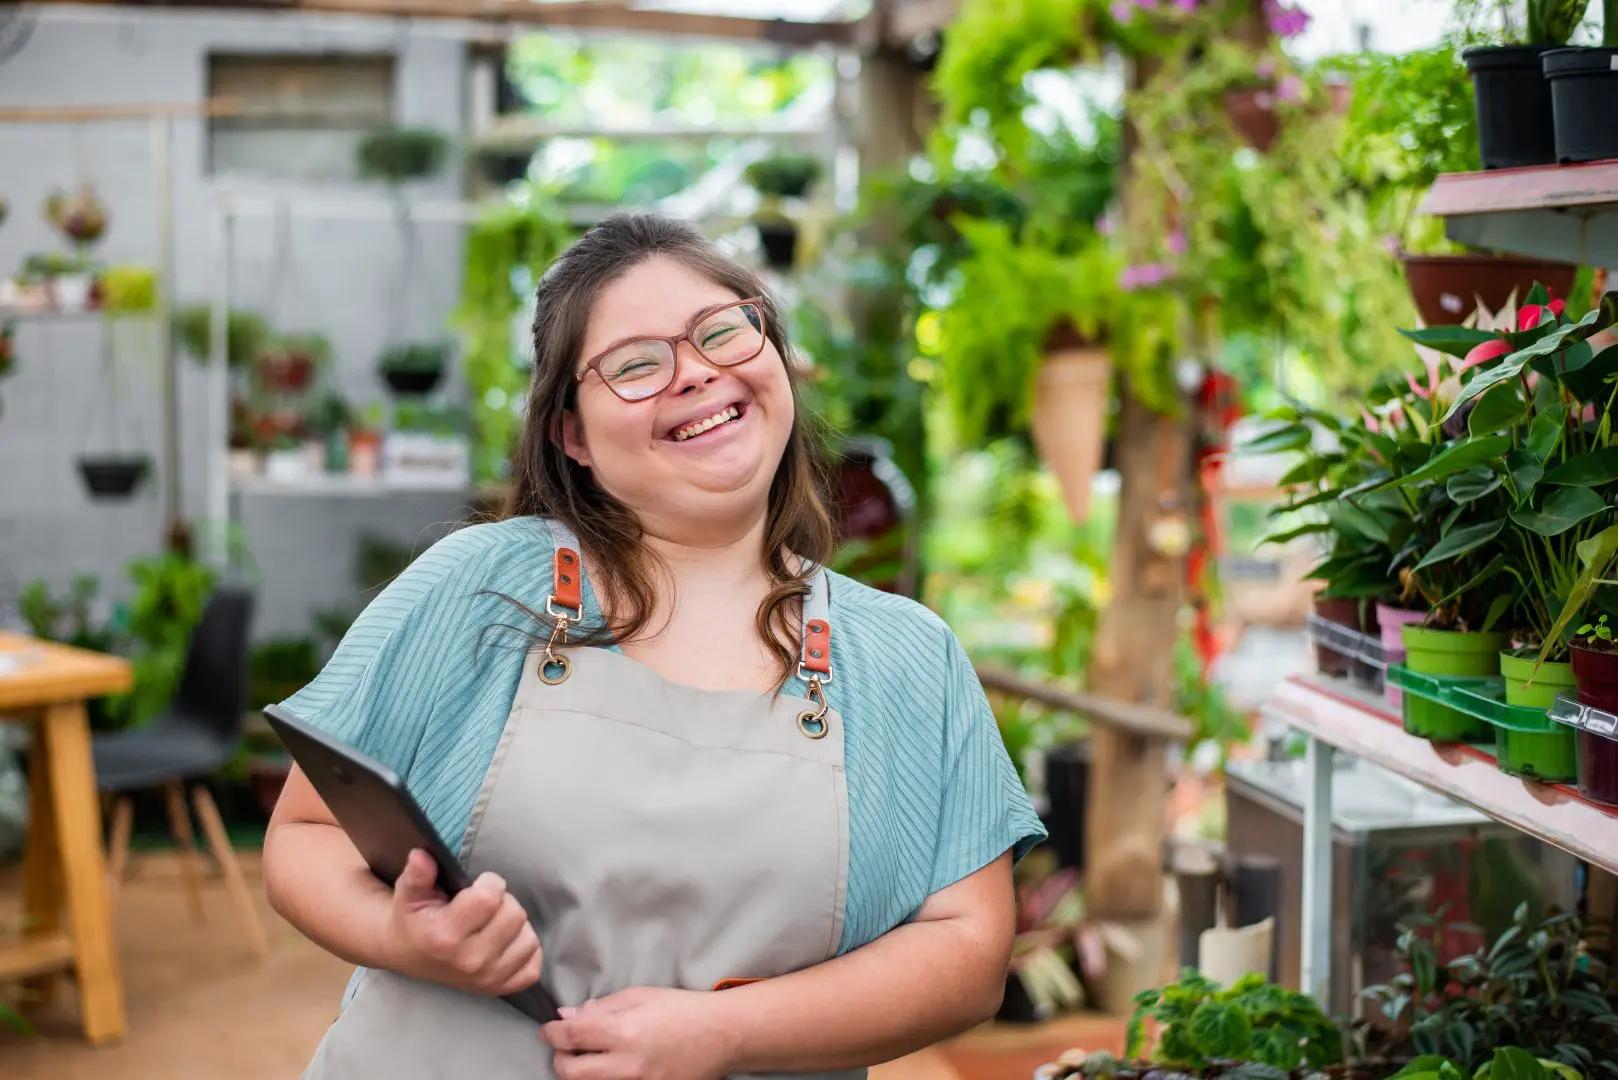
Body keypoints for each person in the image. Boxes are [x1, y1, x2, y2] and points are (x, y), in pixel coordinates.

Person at [262, 211, 1046, 1080]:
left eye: (721, 331)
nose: (697, 373)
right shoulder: (478, 586)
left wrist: (726, 1033)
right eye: (637, 364)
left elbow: (969, 954)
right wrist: (400, 933)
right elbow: (304, 833)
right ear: (571, 433)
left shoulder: (905, 658)